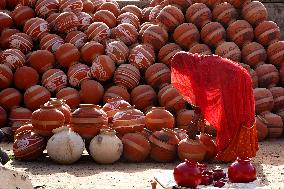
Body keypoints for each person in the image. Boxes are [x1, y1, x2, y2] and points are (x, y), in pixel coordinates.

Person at [171, 52, 258, 162]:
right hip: (241, 77)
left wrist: (194, 122)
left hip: (235, 81)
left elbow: (200, 100)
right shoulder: (201, 62)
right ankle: (239, 153)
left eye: (180, 69)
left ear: (184, 65)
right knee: (234, 115)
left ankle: (230, 154)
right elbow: (204, 97)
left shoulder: (198, 70)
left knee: (231, 117)